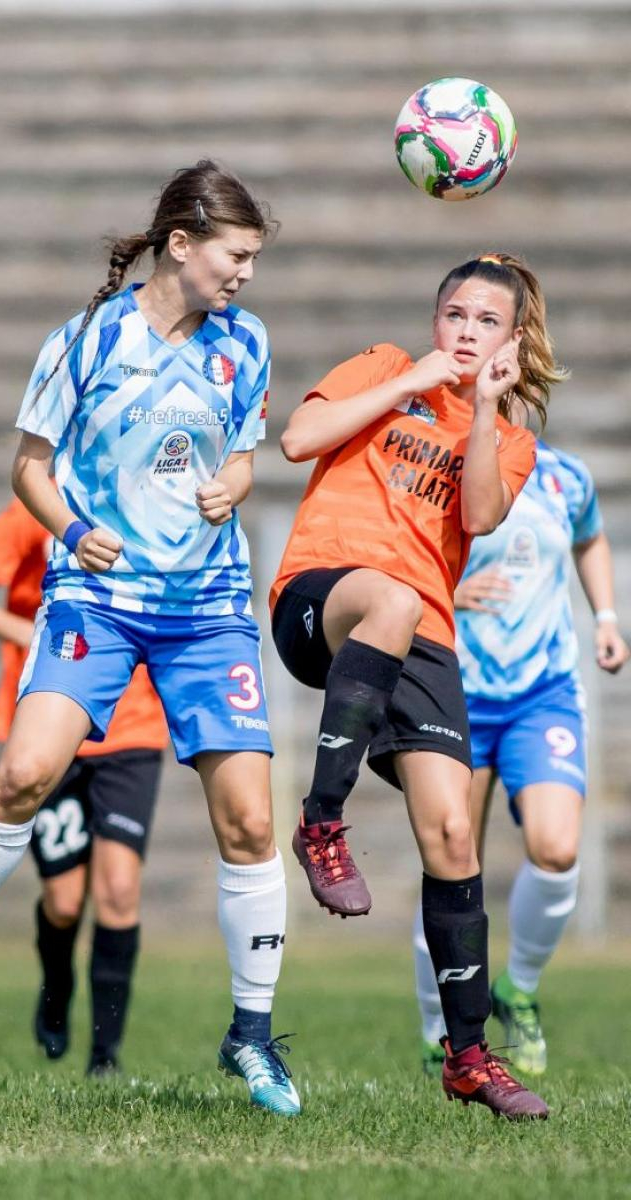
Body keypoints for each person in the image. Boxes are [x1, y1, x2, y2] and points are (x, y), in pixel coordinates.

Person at [0, 160, 300, 1117]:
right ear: (181, 243)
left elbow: (241, 459)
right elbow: (30, 469)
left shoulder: (248, 343)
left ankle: (250, 1036)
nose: (244, 276)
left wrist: (230, 488)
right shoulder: (83, 341)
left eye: (254, 260)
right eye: (235, 256)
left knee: (248, 821)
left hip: (205, 606)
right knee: (25, 774)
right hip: (98, 599)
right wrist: (72, 531)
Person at [270, 252, 564, 1120]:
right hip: (324, 598)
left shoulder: (511, 439)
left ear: (511, 341)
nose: (465, 333)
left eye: (484, 323)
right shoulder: (385, 368)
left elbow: (476, 516)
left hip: (422, 635)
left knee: (453, 837)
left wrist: (479, 408)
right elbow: (296, 441)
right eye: (454, 316)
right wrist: (421, 376)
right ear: (434, 320)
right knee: (392, 597)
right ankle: (321, 823)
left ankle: (469, 1057)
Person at [413, 439, 628, 1076]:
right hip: (456, 691)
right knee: (452, 862)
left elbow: (591, 539)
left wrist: (607, 618)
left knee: (558, 848)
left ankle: (519, 989)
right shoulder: (442, 468)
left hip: (545, 692)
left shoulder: (566, 476)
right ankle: (437, 1029)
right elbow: (399, 561)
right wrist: (446, 595)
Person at [0, 494, 168, 1075]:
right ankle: (55, 988)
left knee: (120, 890)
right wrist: (46, 636)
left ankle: (106, 1055)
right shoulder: (32, 516)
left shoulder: (155, 511)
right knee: (65, 902)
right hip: (50, 731)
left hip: (133, 729)